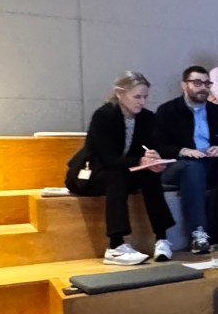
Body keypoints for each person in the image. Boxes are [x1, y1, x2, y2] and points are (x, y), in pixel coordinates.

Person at [65, 72, 175, 265]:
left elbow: (150, 146)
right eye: (137, 97)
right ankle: (115, 246)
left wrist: (153, 160)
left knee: (150, 176)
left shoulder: (147, 118)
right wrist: (140, 161)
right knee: (117, 178)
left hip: (124, 170)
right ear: (119, 94)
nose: (142, 102)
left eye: (145, 97)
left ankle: (161, 238)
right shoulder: (104, 116)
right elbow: (109, 160)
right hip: (92, 172)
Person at [155, 65, 218, 254]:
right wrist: (183, 150)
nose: (203, 87)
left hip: (211, 162)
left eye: (206, 83)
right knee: (193, 168)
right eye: (197, 83)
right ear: (184, 85)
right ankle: (199, 233)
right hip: (178, 165)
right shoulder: (167, 111)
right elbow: (158, 145)